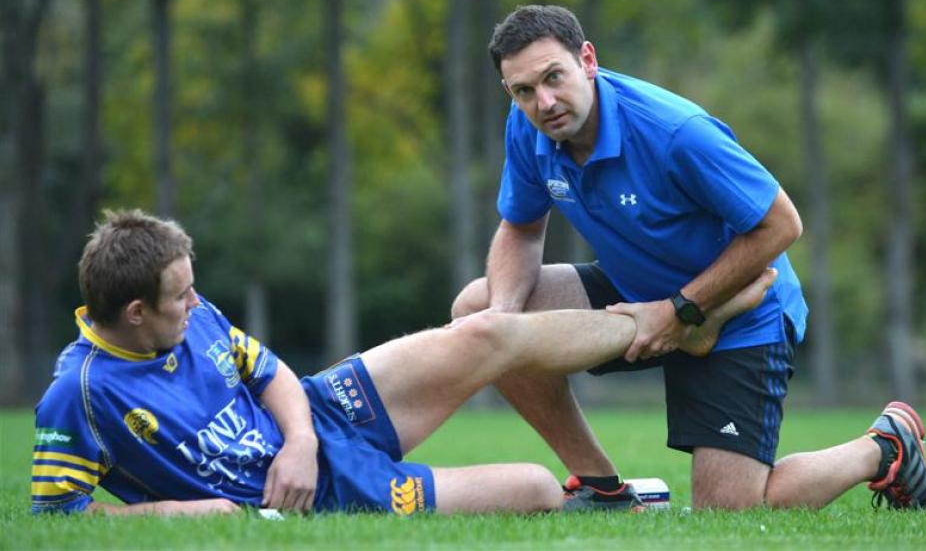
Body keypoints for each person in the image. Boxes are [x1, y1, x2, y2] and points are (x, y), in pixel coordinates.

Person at [452, 4, 926, 511]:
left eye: (554, 77)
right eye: (524, 91)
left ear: (588, 60)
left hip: (742, 311)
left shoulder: (675, 132)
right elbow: (522, 227)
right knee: (480, 314)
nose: (544, 101)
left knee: (729, 509)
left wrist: (680, 311)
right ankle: (601, 487)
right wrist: (505, 324)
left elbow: (782, 224)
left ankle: (883, 449)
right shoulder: (527, 125)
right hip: (637, 290)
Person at [31, 209, 775, 517]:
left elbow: (271, 375)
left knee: (486, 329)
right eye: (179, 299)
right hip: (324, 490)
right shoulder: (80, 394)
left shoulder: (194, 315)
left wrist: (297, 437)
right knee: (538, 490)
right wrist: (209, 512)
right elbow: (61, 522)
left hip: (319, 415)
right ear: (134, 314)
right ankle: (678, 343)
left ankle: (682, 321)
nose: (196, 305)